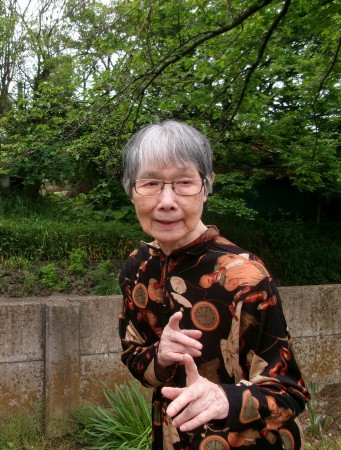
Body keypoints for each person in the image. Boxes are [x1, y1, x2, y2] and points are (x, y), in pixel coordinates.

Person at [118, 120, 309, 449]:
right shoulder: (137, 267)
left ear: (206, 186)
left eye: (184, 182)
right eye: (150, 183)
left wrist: (226, 399)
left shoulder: (244, 277)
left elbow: (290, 392)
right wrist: (160, 357)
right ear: (131, 190)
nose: (166, 201)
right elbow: (134, 356)